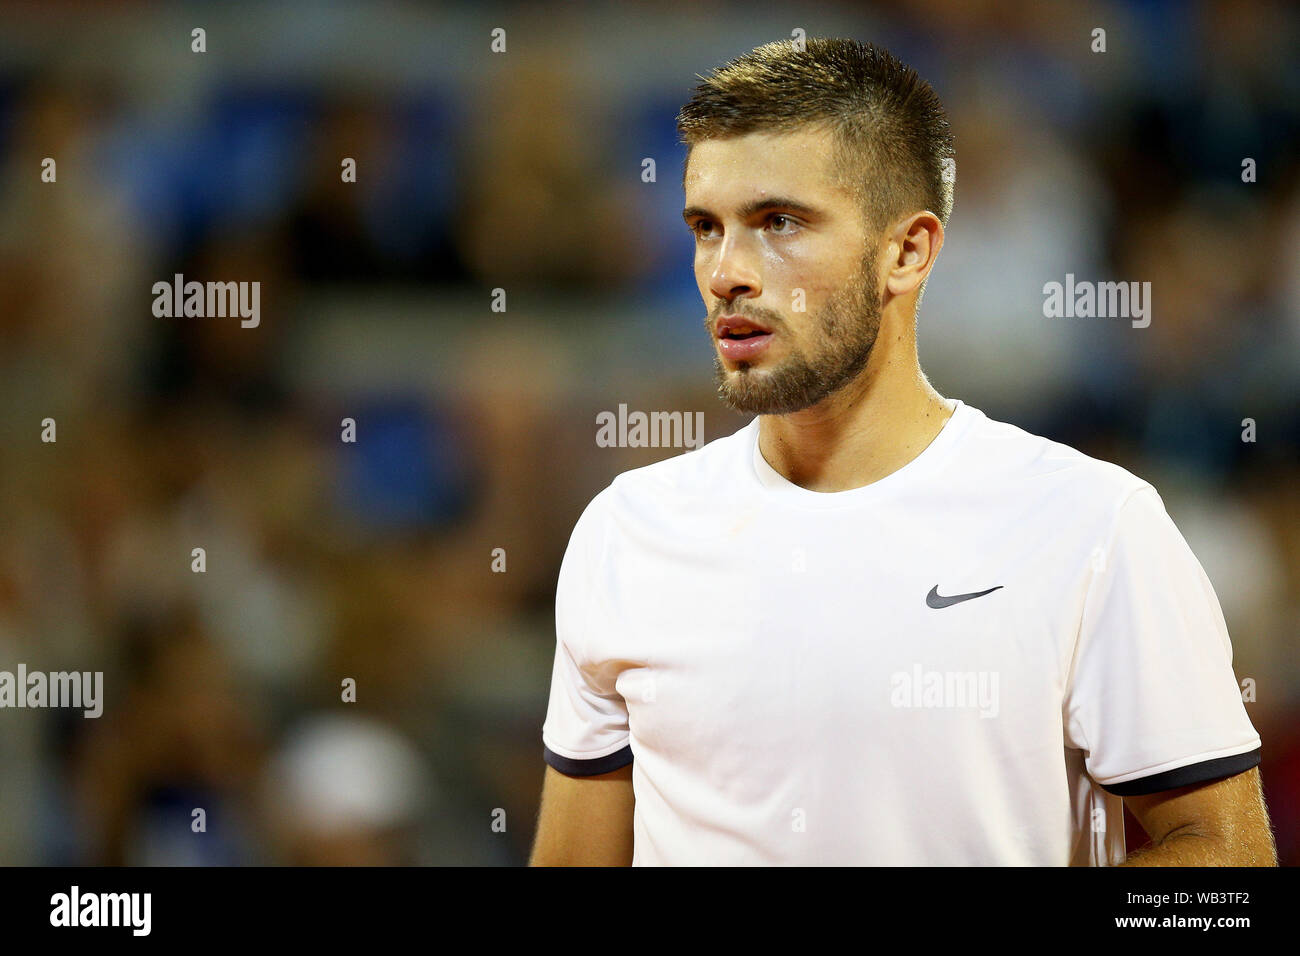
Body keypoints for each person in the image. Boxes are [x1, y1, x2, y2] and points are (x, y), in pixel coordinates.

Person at [530, 38, 1275, 866]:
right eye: (707, 228)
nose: (727, 271)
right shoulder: (625, 531)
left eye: (779, 223)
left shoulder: (1093, 524)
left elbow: (1223, 864)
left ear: (908, 251)